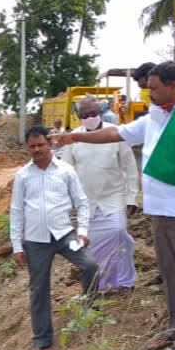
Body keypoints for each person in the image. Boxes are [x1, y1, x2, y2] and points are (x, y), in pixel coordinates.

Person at [53, 61, 175, 350]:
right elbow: (116, 134)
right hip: (160, 210)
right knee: (171, 273)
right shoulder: (156, 118)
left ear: (173, 86)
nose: (149, 93)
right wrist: (75, 137)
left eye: (154, 88)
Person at [10, 126, 100, 350]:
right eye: (32, 146)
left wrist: (82, 231)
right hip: (35, 241)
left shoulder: (66, 171)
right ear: (27, 148)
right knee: (38, 289)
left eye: (41, 144)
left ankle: (90, 310)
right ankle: (42, 339)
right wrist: (17, 246)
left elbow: (81, 202)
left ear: (50, 145)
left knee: (90, 265)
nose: (37, 149)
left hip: (65, 236)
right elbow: (17, 211)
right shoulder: (22, 176)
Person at [62, 95, 138, 293]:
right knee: (92, 246)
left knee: (118, 231)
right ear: (79, 116)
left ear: (100, 112)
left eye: (93, 113)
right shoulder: (73, 139)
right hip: (86, 202)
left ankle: (123, 281)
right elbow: (67, 171)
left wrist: (132, 198)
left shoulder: (115, 134)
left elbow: (130, 168)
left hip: (114, 197)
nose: (90, 117)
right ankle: (99, 285)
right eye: (85, 115)